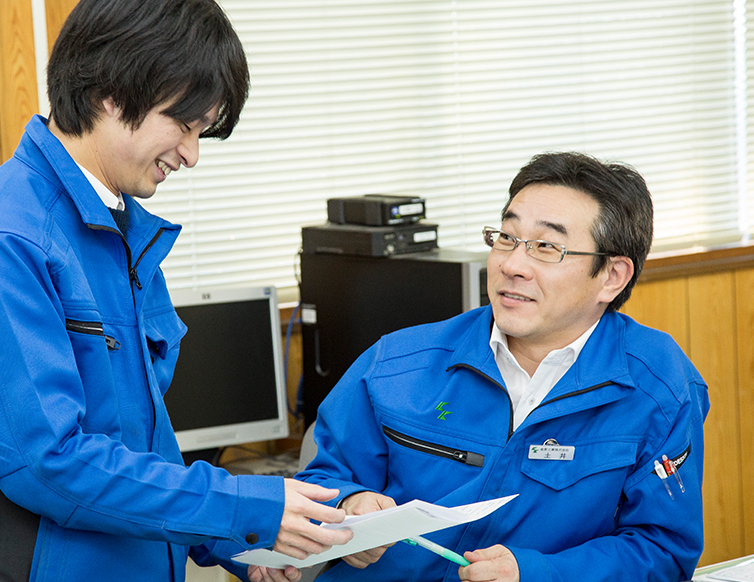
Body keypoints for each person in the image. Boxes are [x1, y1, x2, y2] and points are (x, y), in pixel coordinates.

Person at [0, 1, 351, 581]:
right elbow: (49, 464)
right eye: (183, 125)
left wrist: (236, 545)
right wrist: (241, 508)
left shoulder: (120, 232)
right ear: (109, 94)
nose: (191, 154)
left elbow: (140, 445)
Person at [296, 151, 709, 582]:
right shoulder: (399, 362)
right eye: (506, 238)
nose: (511, 265)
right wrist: (349, 502)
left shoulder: (659, 386)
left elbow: (662, 550)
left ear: (612, 276)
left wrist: (538, 573)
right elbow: (322, 479)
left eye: (546, 247)